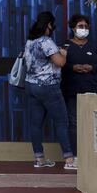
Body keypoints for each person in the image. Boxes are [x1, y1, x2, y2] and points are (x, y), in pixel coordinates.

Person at [24, 11, 76, 170]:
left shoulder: (30, 41)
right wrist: (63, 53)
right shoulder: (47, 42)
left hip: (31, 85)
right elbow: (60, 62)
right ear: (48, 25)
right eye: (52, 24)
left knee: (36, 124)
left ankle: (39, 159)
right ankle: (69, 160)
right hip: (48, 86)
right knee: (61, 122)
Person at [60, 14, 97, 158]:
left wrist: (92, 68)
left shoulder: (94, 45)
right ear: (73, 28)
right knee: (74, 123)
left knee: (94, 123)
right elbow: (59, 64)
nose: (84, 29)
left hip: (92, 89)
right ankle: (75, 155)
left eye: (86, 27)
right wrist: (72, 67)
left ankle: (94, 155)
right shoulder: (65, 45)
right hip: (72, 90)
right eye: (81, 26)